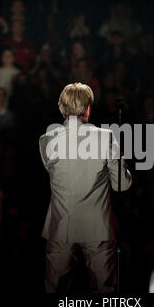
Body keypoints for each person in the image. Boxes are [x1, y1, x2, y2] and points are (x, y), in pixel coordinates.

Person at [39, 83, 132, 293]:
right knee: (105, 294)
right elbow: (121, 185)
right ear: (88, 108)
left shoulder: (46, 141)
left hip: (60, 227)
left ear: (61, 109)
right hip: (98, 227)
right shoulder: (106, 137)